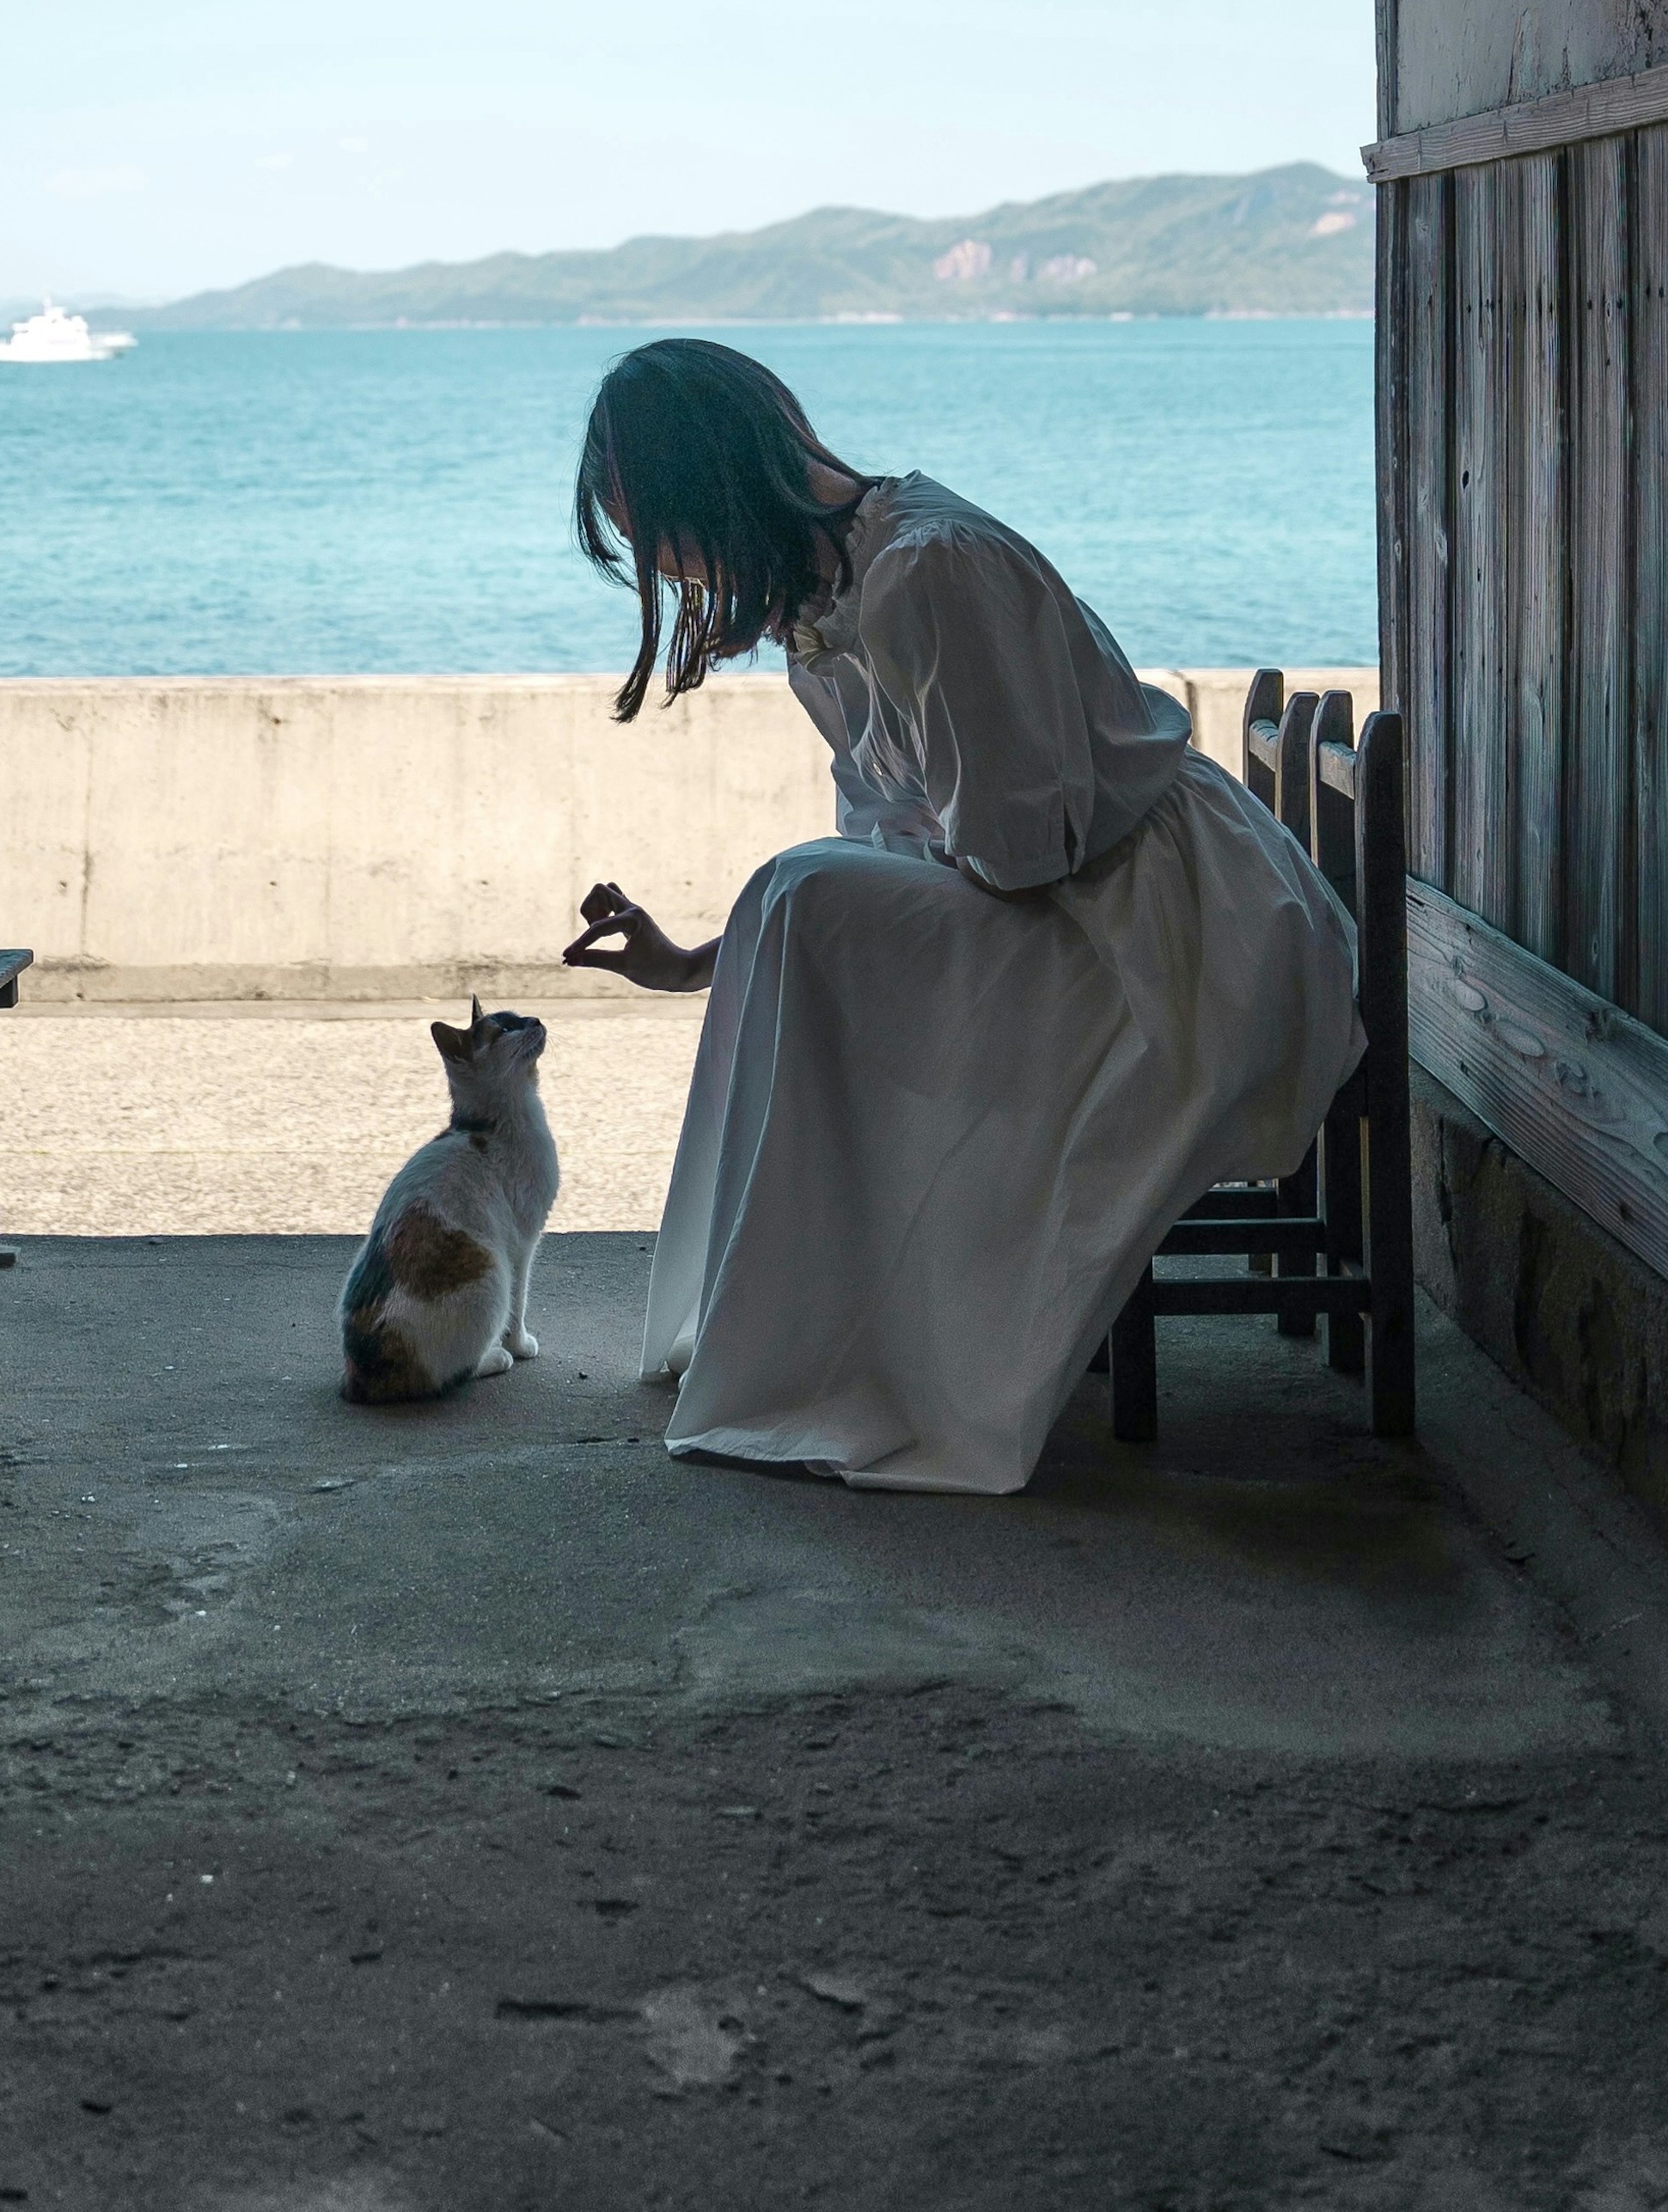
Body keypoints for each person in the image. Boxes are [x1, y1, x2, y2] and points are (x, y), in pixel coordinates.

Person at [563, 337, 1361, 1495]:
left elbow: (1019, 847)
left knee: (808, 894)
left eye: (660, 535)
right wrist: (696, 961)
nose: (671, 570)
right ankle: (841, 1332)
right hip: (1077, 901)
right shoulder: (834, 606)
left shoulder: (927, 573)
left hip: (1169, 937)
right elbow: (891, 836)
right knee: (805, 893)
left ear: (714, 490)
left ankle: (869, 1344)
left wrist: (847, 918)